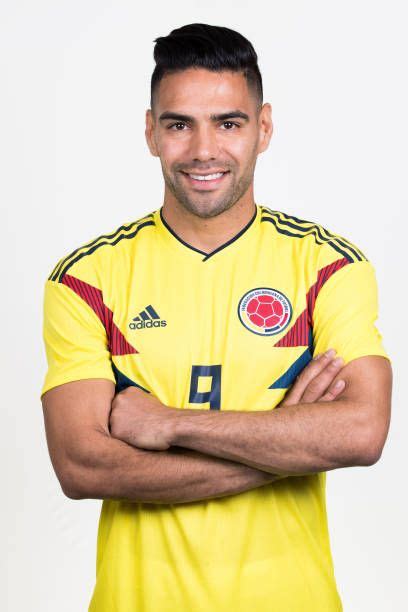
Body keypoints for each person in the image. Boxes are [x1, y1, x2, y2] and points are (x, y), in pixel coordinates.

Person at [40, 23, 392, 612]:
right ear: (151, 132)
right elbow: (82, 465)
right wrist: (288, 445)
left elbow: (361, 432)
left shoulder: (327, 266)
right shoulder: (86, 278)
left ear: (265, 127)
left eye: (229, 123)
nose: (204, 149)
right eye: (180, 124)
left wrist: (171, 425)